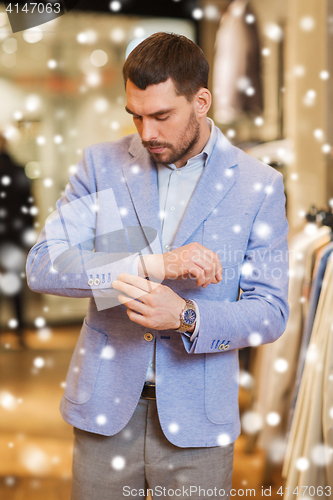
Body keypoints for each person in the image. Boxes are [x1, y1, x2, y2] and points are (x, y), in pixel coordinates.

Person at [26, 33, 289, 499]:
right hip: (104, 413)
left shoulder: (259, 185)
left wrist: (188, 316)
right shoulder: (100, 165)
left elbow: (270, 311)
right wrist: (152, 264)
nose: (147, 132)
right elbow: (45, 265)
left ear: (201, 101)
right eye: (137, 115)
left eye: (162, 116)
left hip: (198, 424)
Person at [0, 133, 33, 347]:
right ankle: (20, 332)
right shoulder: (19, 170)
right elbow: (28, 206)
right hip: (13, 237)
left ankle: (19, 332)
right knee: (15, 289)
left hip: (8, 237)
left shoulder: (18, 170)